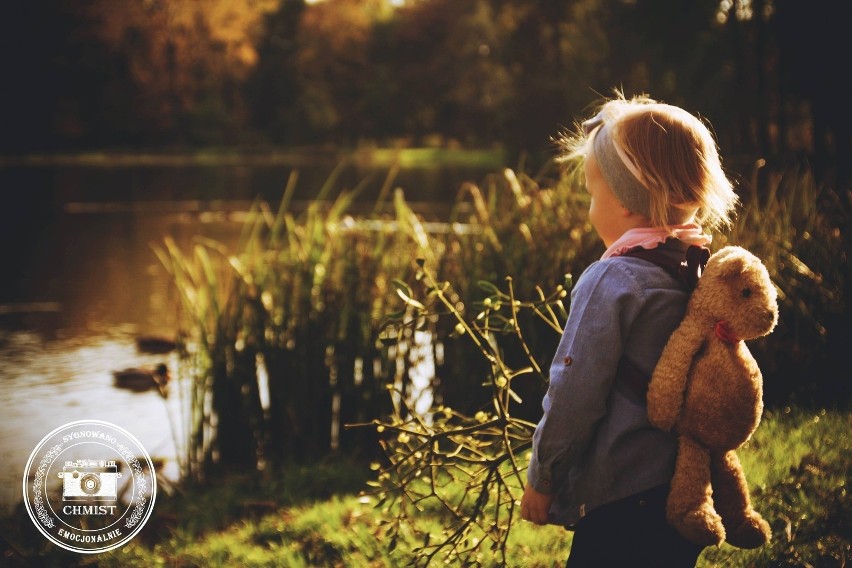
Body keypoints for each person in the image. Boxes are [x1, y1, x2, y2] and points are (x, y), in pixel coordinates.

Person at [520, 93, 739, 567]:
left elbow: (574, 392)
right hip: (682, 488)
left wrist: (544, 476)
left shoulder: (611, 281)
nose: (588, 208)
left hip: (621, 497)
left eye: (592, 194)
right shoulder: (694, 270)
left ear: (623, 202)